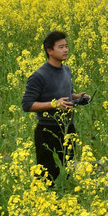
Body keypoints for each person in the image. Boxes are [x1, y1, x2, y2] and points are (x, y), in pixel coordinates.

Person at [21, 31, 90, 184]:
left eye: (66, 46)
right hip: (47, 130)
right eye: (61, 47)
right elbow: (27, 104)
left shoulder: (66, 70)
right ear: (49, 51)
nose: (65, 50)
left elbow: (66, 94)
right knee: (48, 176)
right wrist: (54, 104)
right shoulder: (38, 76)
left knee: (68, 171)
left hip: (68, 128)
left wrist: (77, 97)